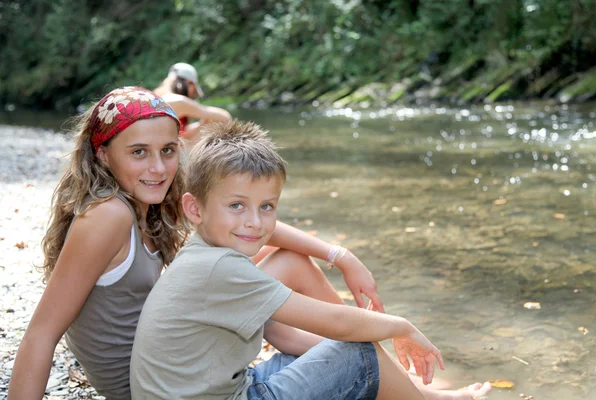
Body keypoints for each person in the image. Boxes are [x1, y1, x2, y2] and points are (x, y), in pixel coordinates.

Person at [7, 86, 387, 400]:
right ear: (103, 155)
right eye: (139, 152)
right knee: (350, 340)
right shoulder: (109, 215)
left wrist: (339, 255)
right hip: (160, 387)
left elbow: (248, 220)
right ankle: (391, 372)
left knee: (291, 262)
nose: (159, 167)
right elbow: (42, 332)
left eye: (168, 150)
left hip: (183, 363)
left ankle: (391, 373)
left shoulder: (149, 199)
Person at [130, 120, 492, 400]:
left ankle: (417, 392)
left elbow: (292, 326)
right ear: (194, 208)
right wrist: (402, 327)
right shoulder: (219, 269)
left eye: (267, 206)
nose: (255, 222)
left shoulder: (205, 253)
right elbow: (338, 322)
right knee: (358, 353)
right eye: (236, 205)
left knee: (327, 339)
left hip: (221, 387)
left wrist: (341, 258)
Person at [154, 62, 232, 144]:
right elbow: (225, 117)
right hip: (165, 153)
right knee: (214, 122)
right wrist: (207, 121)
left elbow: (181, 134)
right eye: (194, 90)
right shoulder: (179, 101)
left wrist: (201, 125)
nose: (192, 95)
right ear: (188, 83)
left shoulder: (160, 98)